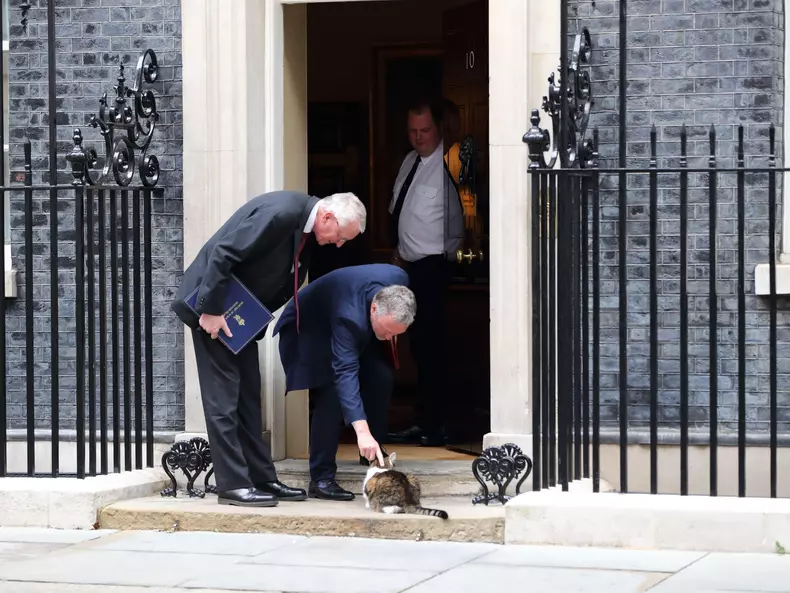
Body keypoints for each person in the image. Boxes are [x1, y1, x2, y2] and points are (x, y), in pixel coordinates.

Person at [171, 190, 367, 507]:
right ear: (328, 217)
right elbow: (224, 252)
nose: (339, 243)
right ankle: (232, 485)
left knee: (249, 395)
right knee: (224, 399)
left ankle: (262, 478)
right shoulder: (281, 213)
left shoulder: (303, 231)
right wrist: (210, 310)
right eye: (342, 236)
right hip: (215, 312)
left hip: (239, 320)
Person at [273, 264, 416, 501]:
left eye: (397, 333)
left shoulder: (399, 281)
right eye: (388, 331)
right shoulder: (348, 317)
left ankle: (372, 454)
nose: (392, 338)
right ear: (374, 309)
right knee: (332, 394)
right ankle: (321, 478)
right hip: (311, 328)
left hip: (355, 323)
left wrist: (368, 436)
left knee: (381, 375)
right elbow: (345, 372)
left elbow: (381, 330)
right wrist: (361, 431)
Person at [387, 99, 464, 447]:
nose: (418, 138)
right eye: (413, 131)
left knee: (434, 347)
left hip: (435, 267)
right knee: (417, 346)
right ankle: (423, 419)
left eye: (425, 130)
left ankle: (439, 424)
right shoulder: (408, 161)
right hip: (407, 266)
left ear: (439, 128)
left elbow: (462, 217)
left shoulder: (452, 164)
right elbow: (399, 209)